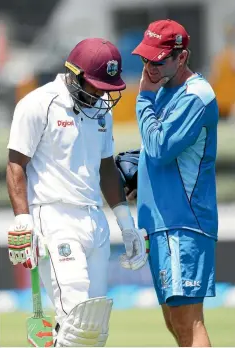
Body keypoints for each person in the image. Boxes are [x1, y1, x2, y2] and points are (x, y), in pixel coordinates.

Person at [6, 38, 148, 347]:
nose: (100, 93)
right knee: (77, 320)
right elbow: (16, 165)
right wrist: (22, 220)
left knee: (94, 326)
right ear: (74, 73)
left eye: (106, 87)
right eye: (96, 84)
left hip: (93, 218)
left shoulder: (101, 113)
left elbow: (106, 168)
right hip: (53, 215)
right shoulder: (37, 104)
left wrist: (126, 225)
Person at [131, 19, 219, 347]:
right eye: (144, 60)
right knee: (174, 322)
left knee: (188, 322)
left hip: (184, 222)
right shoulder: (165, 89)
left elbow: (160, 147)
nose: (149, 68)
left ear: (181, 58)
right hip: (161, 222)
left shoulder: (197, 94)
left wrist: (142, 98)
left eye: (157, 61)